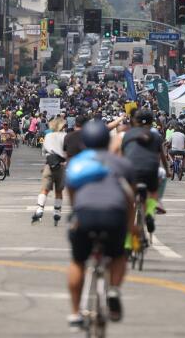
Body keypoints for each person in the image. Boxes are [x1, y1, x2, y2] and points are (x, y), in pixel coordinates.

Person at [64, 118, 134, 331]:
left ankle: (76, 313)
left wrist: (76, 215)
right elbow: (130, 199)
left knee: (78, 261)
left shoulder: (76, 163)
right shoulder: (122, 163)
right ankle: (113, 289)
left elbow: (73, 196)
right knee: (119, 254)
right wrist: (131, 227)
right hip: (114, 215)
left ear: (84, 142)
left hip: (85, 215)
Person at [113, 109, 164, 235]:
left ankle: (129, 242)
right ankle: (150, 212)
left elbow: (122, 156)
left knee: (129, 202)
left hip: (131, 170)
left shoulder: (127, 135)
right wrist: (165, 171)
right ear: (151, 123)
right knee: (152, 191)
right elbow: (158, 158)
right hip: (150, 169)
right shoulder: (156, 136)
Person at [33, 116, 68, 225]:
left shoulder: (47, 136)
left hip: (49, 164)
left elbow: (44, 151)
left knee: (45, 189)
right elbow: (67, 150)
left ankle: (40, 209)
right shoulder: (65, 136)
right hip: (61, 165)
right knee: (59, 190)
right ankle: (57, 211)